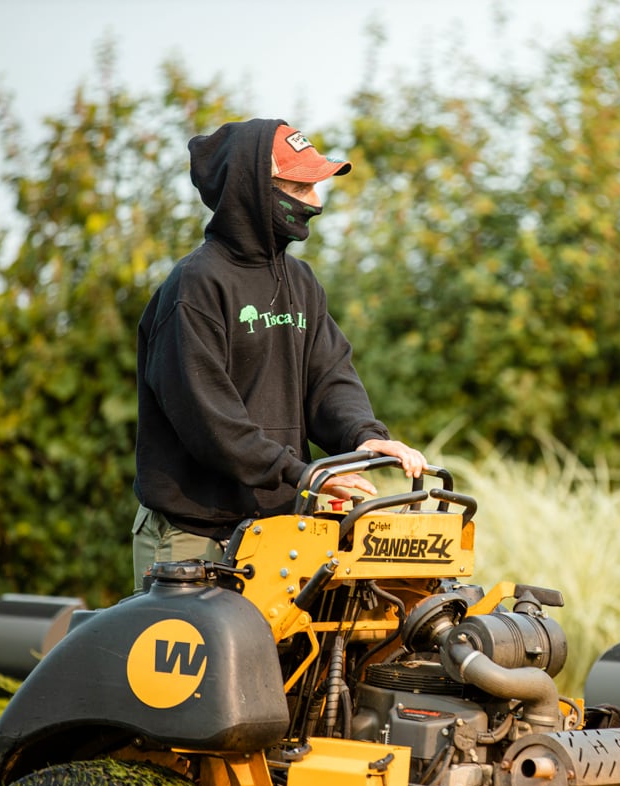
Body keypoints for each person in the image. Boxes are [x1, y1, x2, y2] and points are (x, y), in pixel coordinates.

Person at [132, 118, 425, 589]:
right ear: (252, 188)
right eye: (301, 186)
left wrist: (363, 438)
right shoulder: (196, 287)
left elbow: (330, 377)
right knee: (210, 665)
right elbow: (210, 420)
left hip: (278, 530)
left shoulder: (302, 282)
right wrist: (303, 473)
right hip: (193, 538)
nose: (317, 201)